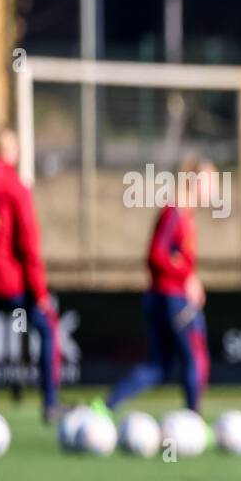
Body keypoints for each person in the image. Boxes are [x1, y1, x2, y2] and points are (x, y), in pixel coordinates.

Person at [96, 158, 212, 416]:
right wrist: (186, 278)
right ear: (194, 182)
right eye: (210, 182)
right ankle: (194, 420)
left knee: (159, 366)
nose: (213, 190)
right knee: (195, 357)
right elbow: (156, 255)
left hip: (165, 296)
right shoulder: (174, 212)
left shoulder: (184, 214)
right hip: (172, 299)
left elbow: (174, 258)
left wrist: (189, 276)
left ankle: (105, 406)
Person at [0, 129, 61, 422]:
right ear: (8, 152)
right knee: (48, 330)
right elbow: (28, 244)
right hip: (11, 286)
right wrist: (41, 293)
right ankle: (50, 404)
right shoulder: (14, 187)